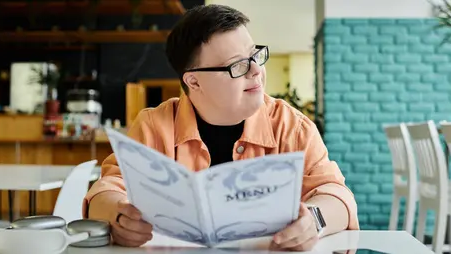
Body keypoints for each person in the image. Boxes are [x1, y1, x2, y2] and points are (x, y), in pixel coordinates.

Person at [83, 4, 359, 252]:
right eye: (237, 65)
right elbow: (105, 191)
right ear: (194, 82)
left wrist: (314, 220)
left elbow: (337, 195)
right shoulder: (154, 125)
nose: (255, 71)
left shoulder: (290, 126)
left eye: (255, 55)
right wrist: (119, 215)